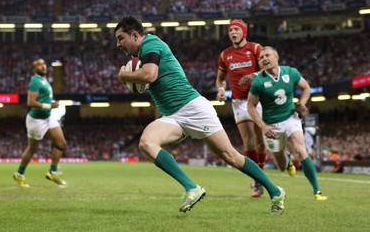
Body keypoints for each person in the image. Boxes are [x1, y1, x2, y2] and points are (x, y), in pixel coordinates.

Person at [116, 16, 286, 214]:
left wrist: (124, 76)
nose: (118, 44)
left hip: (194, 109)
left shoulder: (150, 43)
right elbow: (145, 82)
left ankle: (275, 191)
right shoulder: (140, 55)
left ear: (135, 35)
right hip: (172, 116)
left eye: (120, 38)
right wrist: (132, 80)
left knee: (231, 156)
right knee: (147, 142)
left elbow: (150, 75)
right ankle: (192, 188)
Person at [247, 46, 327, 200]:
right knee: (282, 166)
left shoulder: (291, 72)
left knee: (300, 150)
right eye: (261, 58)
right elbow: (250, 107)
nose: (264, 59)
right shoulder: (258, 81)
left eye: (267, 56)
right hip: (271, 125)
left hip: (291, 118)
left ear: (276, 57)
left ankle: (317, 191)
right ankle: (288, 161)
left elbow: (306, 88)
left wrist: (302, 103)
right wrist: (263, 126)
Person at [216, 19, 267, 197]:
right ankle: (257, 181)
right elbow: (220, 78)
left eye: (237, 29)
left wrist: (255, 74)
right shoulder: (225, 55)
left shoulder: (255, 49)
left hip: (257, 99)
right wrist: (221, 89)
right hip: (238, 102)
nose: (233, 33)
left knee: (261, 142)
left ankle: (261, 174)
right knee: (249, 142)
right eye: (231, 30)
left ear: (244, 31)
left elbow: (266, 68)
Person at [13, 58, 67, 188]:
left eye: (43, 64)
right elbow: (31, 103)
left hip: (48, 118)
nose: (43, 66)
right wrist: (50, 106)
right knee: (32, 150)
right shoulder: (35, 82)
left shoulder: (44, 80)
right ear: (34, 68)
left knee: (61, 144)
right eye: (39, 64)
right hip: (36, 120)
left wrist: (52, 107)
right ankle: (19, 175)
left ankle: (52, 172)